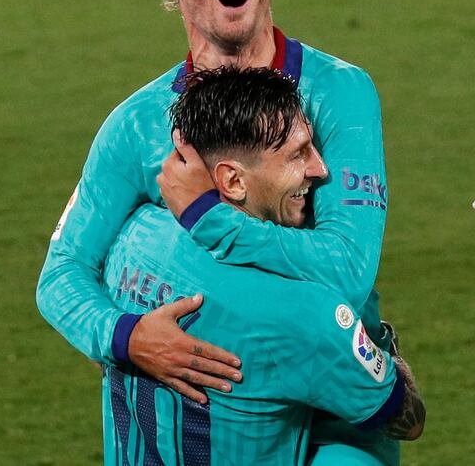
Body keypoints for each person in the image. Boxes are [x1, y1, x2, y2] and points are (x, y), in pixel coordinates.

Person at [36, 0, 393, 458]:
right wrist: (128, 337)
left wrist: (207, 215)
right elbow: (62, 276)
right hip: (218, 396)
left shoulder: (339, 94)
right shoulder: (136, 125)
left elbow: (348, 271)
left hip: (335, 392)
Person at [101, 66, 424, 465]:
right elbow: (405, 419)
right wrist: (376, 349)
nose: (321, 169)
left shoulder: (130, 238)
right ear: (233, 181)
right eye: (297, 153)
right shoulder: (307, 317)